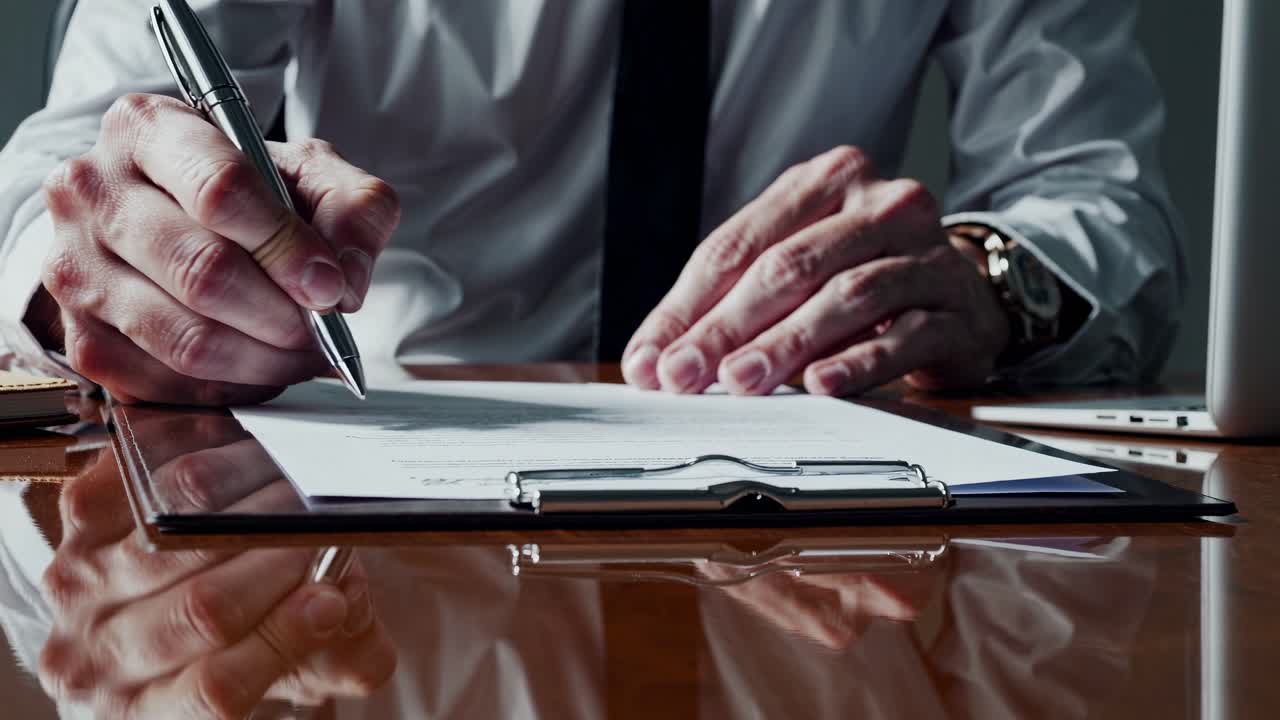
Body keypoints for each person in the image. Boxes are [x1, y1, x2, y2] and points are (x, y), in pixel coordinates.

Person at [0, 0, 1184, 406]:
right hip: (371, 481)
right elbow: (73, 162)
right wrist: (104, 277)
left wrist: (985, 281)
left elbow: (1094, 189)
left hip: (802, 500)